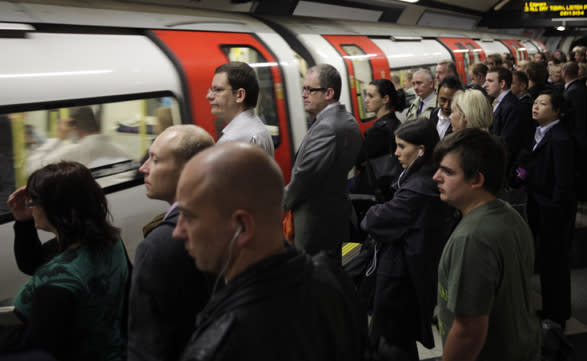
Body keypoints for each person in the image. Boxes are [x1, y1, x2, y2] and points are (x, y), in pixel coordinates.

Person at [172, 142, 367, 361]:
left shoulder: (221, 345)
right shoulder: (335, 280)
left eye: (189, 217)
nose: (177, 232)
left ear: (242, 227)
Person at [433, 128, 540, 361]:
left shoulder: (471, 238)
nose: (436, 177)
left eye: (448, 172)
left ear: (477, 180)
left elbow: (468, 332)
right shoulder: (509, 215)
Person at [4, 162, 129, 361]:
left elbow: (37, 348)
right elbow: (32, 263)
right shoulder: (109, 243)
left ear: (54, 208)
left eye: (33, 201)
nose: (30, 206)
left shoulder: (57, 282)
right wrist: (24, 222)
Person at [361, 119, 457, 361]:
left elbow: (375, 220)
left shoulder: (417, 189)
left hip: (400, 278)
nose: (396, 153)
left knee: (391, 339)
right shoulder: (426, 177)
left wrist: (374, 212)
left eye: (402, 147)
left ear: (421, 150)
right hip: (410, 273)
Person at [128, 125, 215, 361]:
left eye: (154, 160)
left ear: (189, 169)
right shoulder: (221, 220)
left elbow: (147, 345)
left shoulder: (158, 245)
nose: (143, 168)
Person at [283, 64, 362, 261]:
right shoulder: (348, 120)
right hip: (338, 212)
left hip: (315, 224)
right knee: (340, 267)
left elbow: (304, 177)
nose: (303, 94)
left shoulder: (326, 127)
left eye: (310, 89)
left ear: (329, 93)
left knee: (315, 276)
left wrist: (278, 204)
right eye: (304, 88)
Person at [514, 90, 576, 329]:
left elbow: (563, 181)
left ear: (557, 110)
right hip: (538, 204)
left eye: (543, 103)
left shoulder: (560, 139)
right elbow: (530, 164)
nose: (535, 107)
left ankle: (558, 314)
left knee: (556, 262)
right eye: (535, 103)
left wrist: (555, 208)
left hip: (553, 210)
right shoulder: (538, 133)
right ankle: (550, 308)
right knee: (547, 261)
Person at [26, 106, 130, 174]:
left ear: (73, 125)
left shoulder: (73, 152)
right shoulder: (123, 151)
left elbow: (32, 169)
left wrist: (58, 138)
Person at [207, 61, 274, 156]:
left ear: (239, 95)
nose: (209, 96)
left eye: (218, 90)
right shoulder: (260, 129)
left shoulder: (231, 141)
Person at [353, 79, 404, 200]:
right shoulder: (395, 122)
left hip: (377, 189)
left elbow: (358, 158)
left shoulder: (380, 131)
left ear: (385, 99)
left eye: (371, 96)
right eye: (366, 95)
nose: (366, 100)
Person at [485, 67, 531, 171]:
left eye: (490, 81)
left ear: (502, 84)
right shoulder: (498, 102)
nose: (485, 85)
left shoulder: (511, 106)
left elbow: (508, 143)